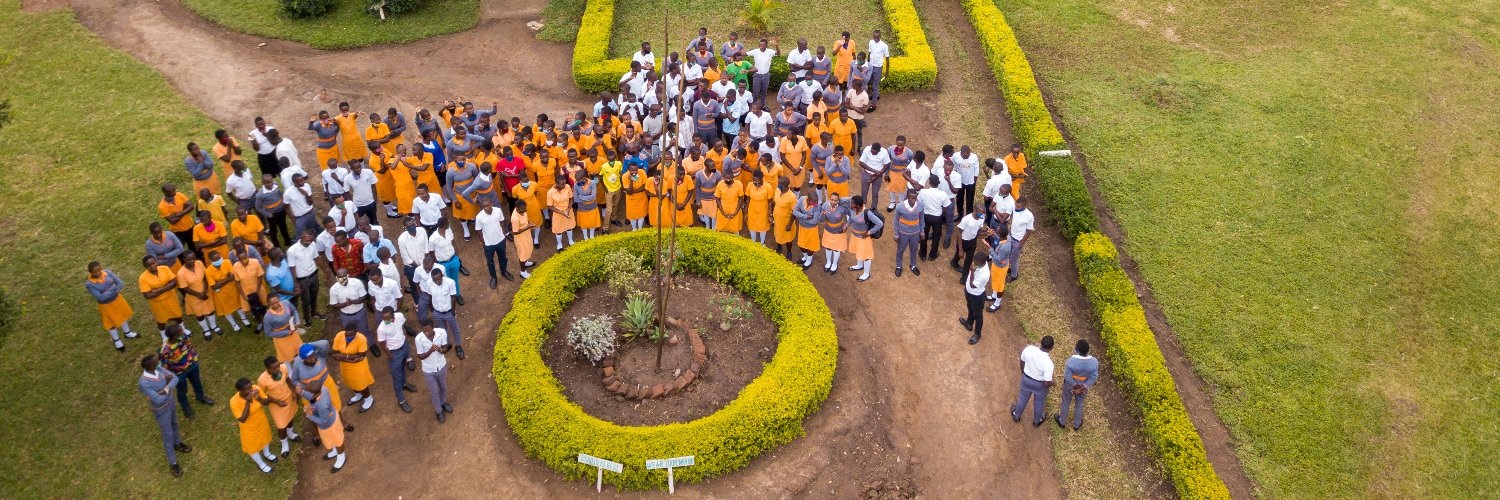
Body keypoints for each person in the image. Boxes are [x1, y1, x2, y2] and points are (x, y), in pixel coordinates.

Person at [138, 354, 191, 477]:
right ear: (151, 365)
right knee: (168, 434)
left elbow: (175, 379)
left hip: (170, 402)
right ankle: (173, 463)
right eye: (156, 360)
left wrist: (164, 390)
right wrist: (168, 386)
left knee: (175, 423)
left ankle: (177, 443)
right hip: (161, 409)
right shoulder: (144, 383)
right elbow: (157, 400)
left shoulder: (158, 368)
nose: (159, 361)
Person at [159, 325, 214, 418]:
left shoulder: (183, 337)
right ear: (174, 336)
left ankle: (201, 397)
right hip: (179, 374)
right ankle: (185, 407)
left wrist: (194, 358)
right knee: (182, 390)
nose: (183, 331)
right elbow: (164, 365)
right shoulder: (165, 350)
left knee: (197, 382)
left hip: (192, 365)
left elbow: (189, 346)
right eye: (180, 331)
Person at [229, 379, 280, 474]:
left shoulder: (256, 388)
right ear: (240, 391)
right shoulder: (234, 401)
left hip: (261, 421)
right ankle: (261, 464)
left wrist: (259, 398)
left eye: (251, 387)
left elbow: (266, 402)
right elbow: (242, 419)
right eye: (248, 389)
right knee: (252, 446)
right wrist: (248, 402)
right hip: (249, 428)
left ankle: (267, 453)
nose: (251, 390)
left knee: (265, 437)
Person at [256, 356, 303, 457]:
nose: (278, 369)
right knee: (281, 426)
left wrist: (293, 391)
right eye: (274, 368)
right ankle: (284, 445)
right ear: (267, 368)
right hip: (276, 404)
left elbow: (287, 380)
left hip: (288, 397)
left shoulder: (283, 368)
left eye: (278, 366)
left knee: (290, 417)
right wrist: (276, 401)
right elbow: (262, 396)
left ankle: (291, 434)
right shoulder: (262, 380)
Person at [86, 261, 136, 351]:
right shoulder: (89, 284)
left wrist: (107, 291)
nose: (97, 273)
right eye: (95, 271)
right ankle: (116, 340)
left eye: (99, 270)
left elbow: (120, 283)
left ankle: (127, 332)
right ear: (90, 272)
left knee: (123, 315)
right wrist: (113, 288)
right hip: (106, 305)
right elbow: (101, 298)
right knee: (110, 322)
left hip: (117, 300)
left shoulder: (108, 272)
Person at [376, 308, 417, 414]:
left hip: (404, 346)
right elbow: (381, 344)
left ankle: (405, 384)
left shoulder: (399, 316)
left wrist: (405, 336)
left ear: (393, 316)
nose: (385, 320)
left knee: (403, 367)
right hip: (394, 353)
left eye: (387, 318)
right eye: (383, 318)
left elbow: (402, 326)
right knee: (396, 376)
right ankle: (401, 400)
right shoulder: (381, 328)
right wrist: (390, 356)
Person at [304, 382, 348, 474]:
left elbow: (323, 421)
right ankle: (336, 451)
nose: (306, 386)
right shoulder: (323, 389)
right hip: (330, 419)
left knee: (337, 440)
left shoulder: (322, 406)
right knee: (332, 439)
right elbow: (311, 398)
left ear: (312, 394)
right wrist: (301, 392)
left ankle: (341, 456)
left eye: (307, 388)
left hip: (329, 425)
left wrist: (309, 416)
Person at [420, 267, 464, 360]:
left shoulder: (450, 282)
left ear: (442, 276)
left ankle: (458, 346)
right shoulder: (429, 283)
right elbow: (430, 296)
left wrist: (452, 311)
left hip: (449, 312)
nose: (437, 282)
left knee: (455, 329)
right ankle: (447, 344)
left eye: (439, 279)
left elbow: (453, 298)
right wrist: (433, 311)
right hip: (437, 313)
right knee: (442, 331)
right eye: (435, 280)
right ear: (432, 279)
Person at [414, 320, 453, 423]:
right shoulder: (419, 339)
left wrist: (439, 349)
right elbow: (420, 356)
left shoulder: (441, 332)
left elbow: (445, 348)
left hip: (441, 366)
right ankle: (438, 411)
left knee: (443, 386)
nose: (426, 332)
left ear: (433, 327)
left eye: (428, 330)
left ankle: (443, 402)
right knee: (435, 391)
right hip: (428, 370)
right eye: (424, 330)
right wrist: (431, 350)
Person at [1012, 335, 1055, 426]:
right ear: (1052, 347)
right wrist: (1053, 383)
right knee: (1039, 403)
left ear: (1041, 342)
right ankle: (1037, 421)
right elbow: (1047, 383)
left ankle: (1016, 416)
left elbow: (1022, 361)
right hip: (1040, 385)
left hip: (1026, 379)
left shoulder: (1029, 349)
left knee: (1023, 398)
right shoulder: (1049, 363)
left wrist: (1023, 373)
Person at [331, 326, 376, 413]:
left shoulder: (362, 339)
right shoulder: (339, 336)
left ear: (356, 332)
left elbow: (361, 356)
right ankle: (358, 395)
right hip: (345, 365)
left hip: (359, 366)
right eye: (346, 335)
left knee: (361, 383)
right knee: (350, 381)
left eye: (351, 335)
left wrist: (343, 356)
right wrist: (350, 359)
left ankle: (368, 399)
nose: (348, 337)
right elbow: (335, 355)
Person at [1057, 339, 1098, 431]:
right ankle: (1076, 425)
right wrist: (1083, 387)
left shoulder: (1071, 361)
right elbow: (1094, 377)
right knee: (1079, 404)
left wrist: (1075, 385)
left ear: (1077, 350)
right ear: (1088, 350)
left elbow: (1067, 376)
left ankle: (1062, 422)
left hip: (1070, 385)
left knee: (1065, 403)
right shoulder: (1094, 362)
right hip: (1083, 387)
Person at [138, 255, 182, 340]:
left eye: (153, 263)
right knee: (161, 320)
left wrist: (159, 290)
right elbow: (148, 295)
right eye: (148, 265)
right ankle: (164, 337)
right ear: (145, 267)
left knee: (177, 314)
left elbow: (174, 282)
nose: (152, 266)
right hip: (157, 303)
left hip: (171, 298)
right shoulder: (142, 278)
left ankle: (182, 329)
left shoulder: (164, 268)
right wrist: (167, 287)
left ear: (156, 261)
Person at [205, 250, 248, 332]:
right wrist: (227, 279)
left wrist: (219, 282)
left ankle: (244, 318)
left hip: (232, 288)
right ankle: (234, 324)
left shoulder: (227, 262)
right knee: (226, 309)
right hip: (220, 293)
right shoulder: (208, 271)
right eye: (215, 259)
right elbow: (213, 287)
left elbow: (233, 276)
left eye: (219, 258)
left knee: (238, 304)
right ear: (211, 261)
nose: (218, 260)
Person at [474, 198, 513, 288]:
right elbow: (478, 231)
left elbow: (502, 221)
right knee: (490, 262)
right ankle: (493, 277)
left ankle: (503, 272)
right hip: (488, 244)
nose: (486, 208)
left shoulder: (498, 210)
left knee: (503, 258)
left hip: (500, 240)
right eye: (484, 206)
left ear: (491, 203)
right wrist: (483, 243)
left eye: (487, 205)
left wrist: (502, 232)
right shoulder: (479, 217)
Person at [176, 252, 215, 340]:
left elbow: (205, 276)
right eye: (190, 259)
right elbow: (185, 288)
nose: (193, 261)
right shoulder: (181, 273)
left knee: (210, 309)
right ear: (184, 260)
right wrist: (199, 295)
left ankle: (213, 326)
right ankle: (206, 329)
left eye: (194, 258)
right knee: (199, 314)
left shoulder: (199, 263)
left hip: (205, 291)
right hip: (193, 296)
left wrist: (204, 291)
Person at [287, 230, 324, 322]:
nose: (309, 243)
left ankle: (314, 312)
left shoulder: (313, 244)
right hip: (302, 280)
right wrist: (296, 284)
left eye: (311, 240)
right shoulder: (292, 251)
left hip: (314, 275)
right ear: (301, 237)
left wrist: (325, 270)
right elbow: (292, 267)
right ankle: (306, 318)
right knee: (306, 299)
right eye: (307, 240)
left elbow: (316, 258)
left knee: (314, 295)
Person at [429, 216, 466, 305]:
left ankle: (457, 295)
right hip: (443, 264)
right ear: (443, 225)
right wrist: (437, 264)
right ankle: (449, 298)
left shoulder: (449, 231)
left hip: (453, 260)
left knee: (455, 279)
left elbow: (453, 242)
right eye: (448, 222)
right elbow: (431, 252)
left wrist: (457, 256)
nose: (449, 223)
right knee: (446, 282)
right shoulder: (433, 238)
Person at [846, 195, 883, 282]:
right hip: (855, 236)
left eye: (852, 203)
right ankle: (859, 265)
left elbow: (880, 223)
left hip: (864, 239)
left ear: (858, 206)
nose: (850, 204)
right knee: (859, 251)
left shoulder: (867, 213)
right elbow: (851, 219)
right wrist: (847, 225)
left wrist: (869, 232)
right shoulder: (852, 210)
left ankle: (866, 273)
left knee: (866, 256)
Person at [957, 253, 992, 345]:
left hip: (976, 296)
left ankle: (977, 334)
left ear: (983, 263)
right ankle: (969, 324)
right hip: (969, 292)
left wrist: (972, 271)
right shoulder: (978, 263)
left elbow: (973, 285)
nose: (974, 263)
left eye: (976, 262)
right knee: (970, 308)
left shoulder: (985, 274)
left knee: (978, 315)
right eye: (974, 261)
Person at [980, 227, 1014, 312]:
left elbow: (998, 258)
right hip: (997, 266)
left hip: (1000, 268)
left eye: (996, 231)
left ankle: (997, 304)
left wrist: (989, 247)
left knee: (1000, 286)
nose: (995, 230)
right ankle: (994, 296)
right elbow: (1000, 239)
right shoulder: (1008, 237)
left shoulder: (1003, 248)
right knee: (995, 281)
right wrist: (993, 234)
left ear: (1000, 234)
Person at [262, 294, 304, 363]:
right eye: (272, 304)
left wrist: (297, 321)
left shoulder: (286, 303)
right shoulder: (267, 317)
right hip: (281, 339)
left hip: (293, 333)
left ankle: (300, 362)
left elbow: (294, 311)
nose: (276, 305)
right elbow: (268, 333)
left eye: (277, 302)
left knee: (298, 349)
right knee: (285, 356)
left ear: (279, 300)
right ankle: (289, 370)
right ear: (268, 304)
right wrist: (286, 333)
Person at [329, 268, 370, 338]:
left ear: (348, 276)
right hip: (346, 316)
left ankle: (371, 345)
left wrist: (352, 302)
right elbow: (334, 304)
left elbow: (363, 298)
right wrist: (346, 303)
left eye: (343, 277)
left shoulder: (357, 283)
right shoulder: (333, 289)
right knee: (350, 334)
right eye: (339, 277)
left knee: (365, 331)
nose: (341, 279)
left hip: (360, 313)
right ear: (336, 277)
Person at [158, 183, 197, 255]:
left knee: (194, 246)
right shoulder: (162, 206)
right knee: (179, 249)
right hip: (177, 231)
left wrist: (179, 214)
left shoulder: (179, 195)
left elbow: (191, 207)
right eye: (172, 191)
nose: (174, 192)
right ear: (165, 193)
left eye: (174, 190)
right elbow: (172, 221)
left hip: (190, 226)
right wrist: (185, 209)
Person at [893, 189, 924, 277]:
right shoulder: (900, 206)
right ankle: (899, 266)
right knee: (900, 250)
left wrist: (922, 232)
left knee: (914, 250)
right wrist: (896, 234)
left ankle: (913, 265)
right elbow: (896, 221)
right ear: (907, 197)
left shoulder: (920, 206)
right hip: (903, 233)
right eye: (911, 198)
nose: (913, 200)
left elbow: (921, 219)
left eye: (915, 198)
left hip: (915, 233)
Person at [917, 177, 948, 263]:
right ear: (938, 184)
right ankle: (932, 255)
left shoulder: (923, 192)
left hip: (926, 216)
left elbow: (919, 203)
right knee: (936, 236)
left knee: (924, 235)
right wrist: (941, 214)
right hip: (937, 217)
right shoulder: (943, 194)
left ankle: (923, 255)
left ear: (929, 182)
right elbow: (945, 207)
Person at [951, 203, 987, 276]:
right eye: (980, 213)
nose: (982, 215)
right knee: (959, 254)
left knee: (969, 259)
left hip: (973, 241)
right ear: (975, 210)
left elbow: (978, 232)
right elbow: (959, 233)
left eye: (983, 213)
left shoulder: (982, 218)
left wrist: (987, 233)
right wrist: (961, 249)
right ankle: (954, 262)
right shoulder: (966, 219)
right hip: (963, 241)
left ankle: (964, 278)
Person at [818, 193, 850, 273]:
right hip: (828, 230)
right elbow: (820, 220)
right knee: (828, 247)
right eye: (832, 200)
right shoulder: (825, 206)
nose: (833, 202)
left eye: (835, 200)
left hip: (838, 231)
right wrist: (823, 214)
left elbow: (850, 217)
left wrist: (846, 225)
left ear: (838, 201)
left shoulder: (842, 208)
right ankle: (828, 262)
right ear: (829, 199)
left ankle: (834, 264)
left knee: (836, 249)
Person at [1006, 198, 1035, 282]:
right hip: (1010, 235)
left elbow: (1029, 231)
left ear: (1024, 207)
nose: (1015, 208)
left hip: (1018, 241)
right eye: (1015, 205)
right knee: (1008, 253)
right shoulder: (1015, 209)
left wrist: (1021, 243)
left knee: (1013, 259)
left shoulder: (1029, 216)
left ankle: (1014, 275)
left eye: (1018, 207)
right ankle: (1010, 269)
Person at [547, 174, 577, 250]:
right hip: (558, 213)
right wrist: (561, 212)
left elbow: (571, 198)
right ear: (557, 184)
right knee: (558, 230)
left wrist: (569, 208)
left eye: (565, 183)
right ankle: (559, 244)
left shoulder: (567, 187)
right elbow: (550, 206)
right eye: (562, 184)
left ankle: (571, 241)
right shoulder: (550, 192)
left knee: (569, 227)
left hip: (568, 210)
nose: (564, 185)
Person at [511, 200, 538, 278]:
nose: (525, 210)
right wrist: (528, 227)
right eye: (523, 208)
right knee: (522, 255)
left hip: (526, 234)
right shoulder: (515, 218)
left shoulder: (522, 210)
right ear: (517, 208)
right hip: (520, 238)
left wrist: (529, 223)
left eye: (525, 207)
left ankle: (526, 263)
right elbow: (515, 232)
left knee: (527, 249)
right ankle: (523, 272)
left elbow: (525, 218)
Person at [866, 30, 890, 109]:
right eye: (874, 37)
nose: (876, 38)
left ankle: (873, 104)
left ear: (880, 36)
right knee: (871, 82)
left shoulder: (884, 46)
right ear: (873, 36)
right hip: (871, 66)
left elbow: (887, 59)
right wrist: (867, 65)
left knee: (875, 86)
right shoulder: (871, 42)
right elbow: (869, 53)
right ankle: (876, 95)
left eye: (877, 37)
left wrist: (887, 72)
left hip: (878, 68)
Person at [574, 174, 602, 240]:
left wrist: (581, 197)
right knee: (584, 224)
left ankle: (592, 236)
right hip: (582, 208)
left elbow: (593, 197)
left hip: (592, 207)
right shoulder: (576, 185)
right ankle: (585, 237)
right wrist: (588, 198)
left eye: (578, 180)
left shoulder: (592, 183)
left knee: (592, 223)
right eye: (576, 180)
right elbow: (576, 199)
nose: (577, 182)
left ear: (584, 178)